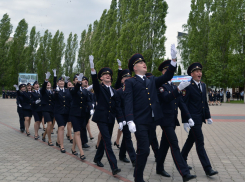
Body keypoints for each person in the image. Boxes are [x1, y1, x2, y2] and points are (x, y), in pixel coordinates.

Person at [123, 44, 178, 182]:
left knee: (144, 150)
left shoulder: (152, 80)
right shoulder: (130, 82)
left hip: (152, 121)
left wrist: (173, 61)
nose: (144, 64)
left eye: (144, 62)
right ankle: (139, 178)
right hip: (139, 121)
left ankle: (137, 174)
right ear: (135, 68)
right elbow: (128, 101)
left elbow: (167, 76)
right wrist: (129, 119)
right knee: (145, 150)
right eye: (141, 63)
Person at [155, 60, 196, 181]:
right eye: (167, 70)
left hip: (172, 120)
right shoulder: (160, 86)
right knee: (174, 144)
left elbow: (181, 103)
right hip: (165, 121)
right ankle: (184, 173)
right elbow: (166, 98)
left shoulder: (173, 86)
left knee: (164, 145)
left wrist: (188, 118)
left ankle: (159, 167)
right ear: (163, 72)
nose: (170, 72)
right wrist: (178, 90)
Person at [181, 62, 218, 177]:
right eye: (197, 71)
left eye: (200, 71)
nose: (199, 73)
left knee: (191, 139)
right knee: (200, 142)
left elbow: (204, 103)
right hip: (193, 119)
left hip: (200, 118)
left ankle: (182, 158)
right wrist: (186, 120)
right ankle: (208, 168)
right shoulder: (187, 86)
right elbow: (183, 104)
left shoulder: (203, 85)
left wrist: (208, 116)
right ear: (191, 74)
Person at [90, 55, 124, 176]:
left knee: (105, 139)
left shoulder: (114, 91)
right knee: (108, 142)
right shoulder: (99, 88)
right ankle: (114, 166)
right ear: (101, 78)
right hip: (101, 118)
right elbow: (94, 82)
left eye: (109, 74)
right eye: (105, 74)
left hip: (110, 119)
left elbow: (117, 107)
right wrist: (93, 70)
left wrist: (120, 120)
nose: (107, 75)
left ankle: (97, 158)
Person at [114, 59, 137, 166]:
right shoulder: (118, 92)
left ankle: (122, 155)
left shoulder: (133, 90)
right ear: (122, 80)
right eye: (125, 77)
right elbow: (118, 107)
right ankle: (134, 160)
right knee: (128, 137)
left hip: (132, 116)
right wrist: (121, 120)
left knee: (126, 137)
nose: (128, 79)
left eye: (129, 77)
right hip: (123, 117)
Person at [69, 73, 93, 160]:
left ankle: (73, 148)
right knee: (77, 132)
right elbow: (74, 91)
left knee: (78, 132)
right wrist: (78, 83)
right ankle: (81, 152)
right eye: (81, 80)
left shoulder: (85, 90)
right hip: (74, 114)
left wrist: (91, 108)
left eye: (82, 80)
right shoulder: (72, 89)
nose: (83, 81)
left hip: (82, 114)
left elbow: (88, 101)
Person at [54, 75, 72, 153]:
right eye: (60, 81)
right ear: (57, 83)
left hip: (66, 112)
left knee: (62, 126)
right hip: (58, 112)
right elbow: (54, 98)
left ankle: (58, 141)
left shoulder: (68, 90)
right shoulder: (56, 91)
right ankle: (62, 146)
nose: (61, 82)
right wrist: (56, 92)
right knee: (61, 127)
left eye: (62, 81)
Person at [41, 70, 56, 146]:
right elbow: (43, 87)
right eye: (47, 84)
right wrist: (46, 80)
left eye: (49, 83)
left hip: (52, 110)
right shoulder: (43, 91)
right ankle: (49, 140)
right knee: (49, 123)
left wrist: (55, 76)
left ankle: (44, 135)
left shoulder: (53, 91)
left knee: (50, 125)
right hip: (45, 109)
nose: (48, 84)